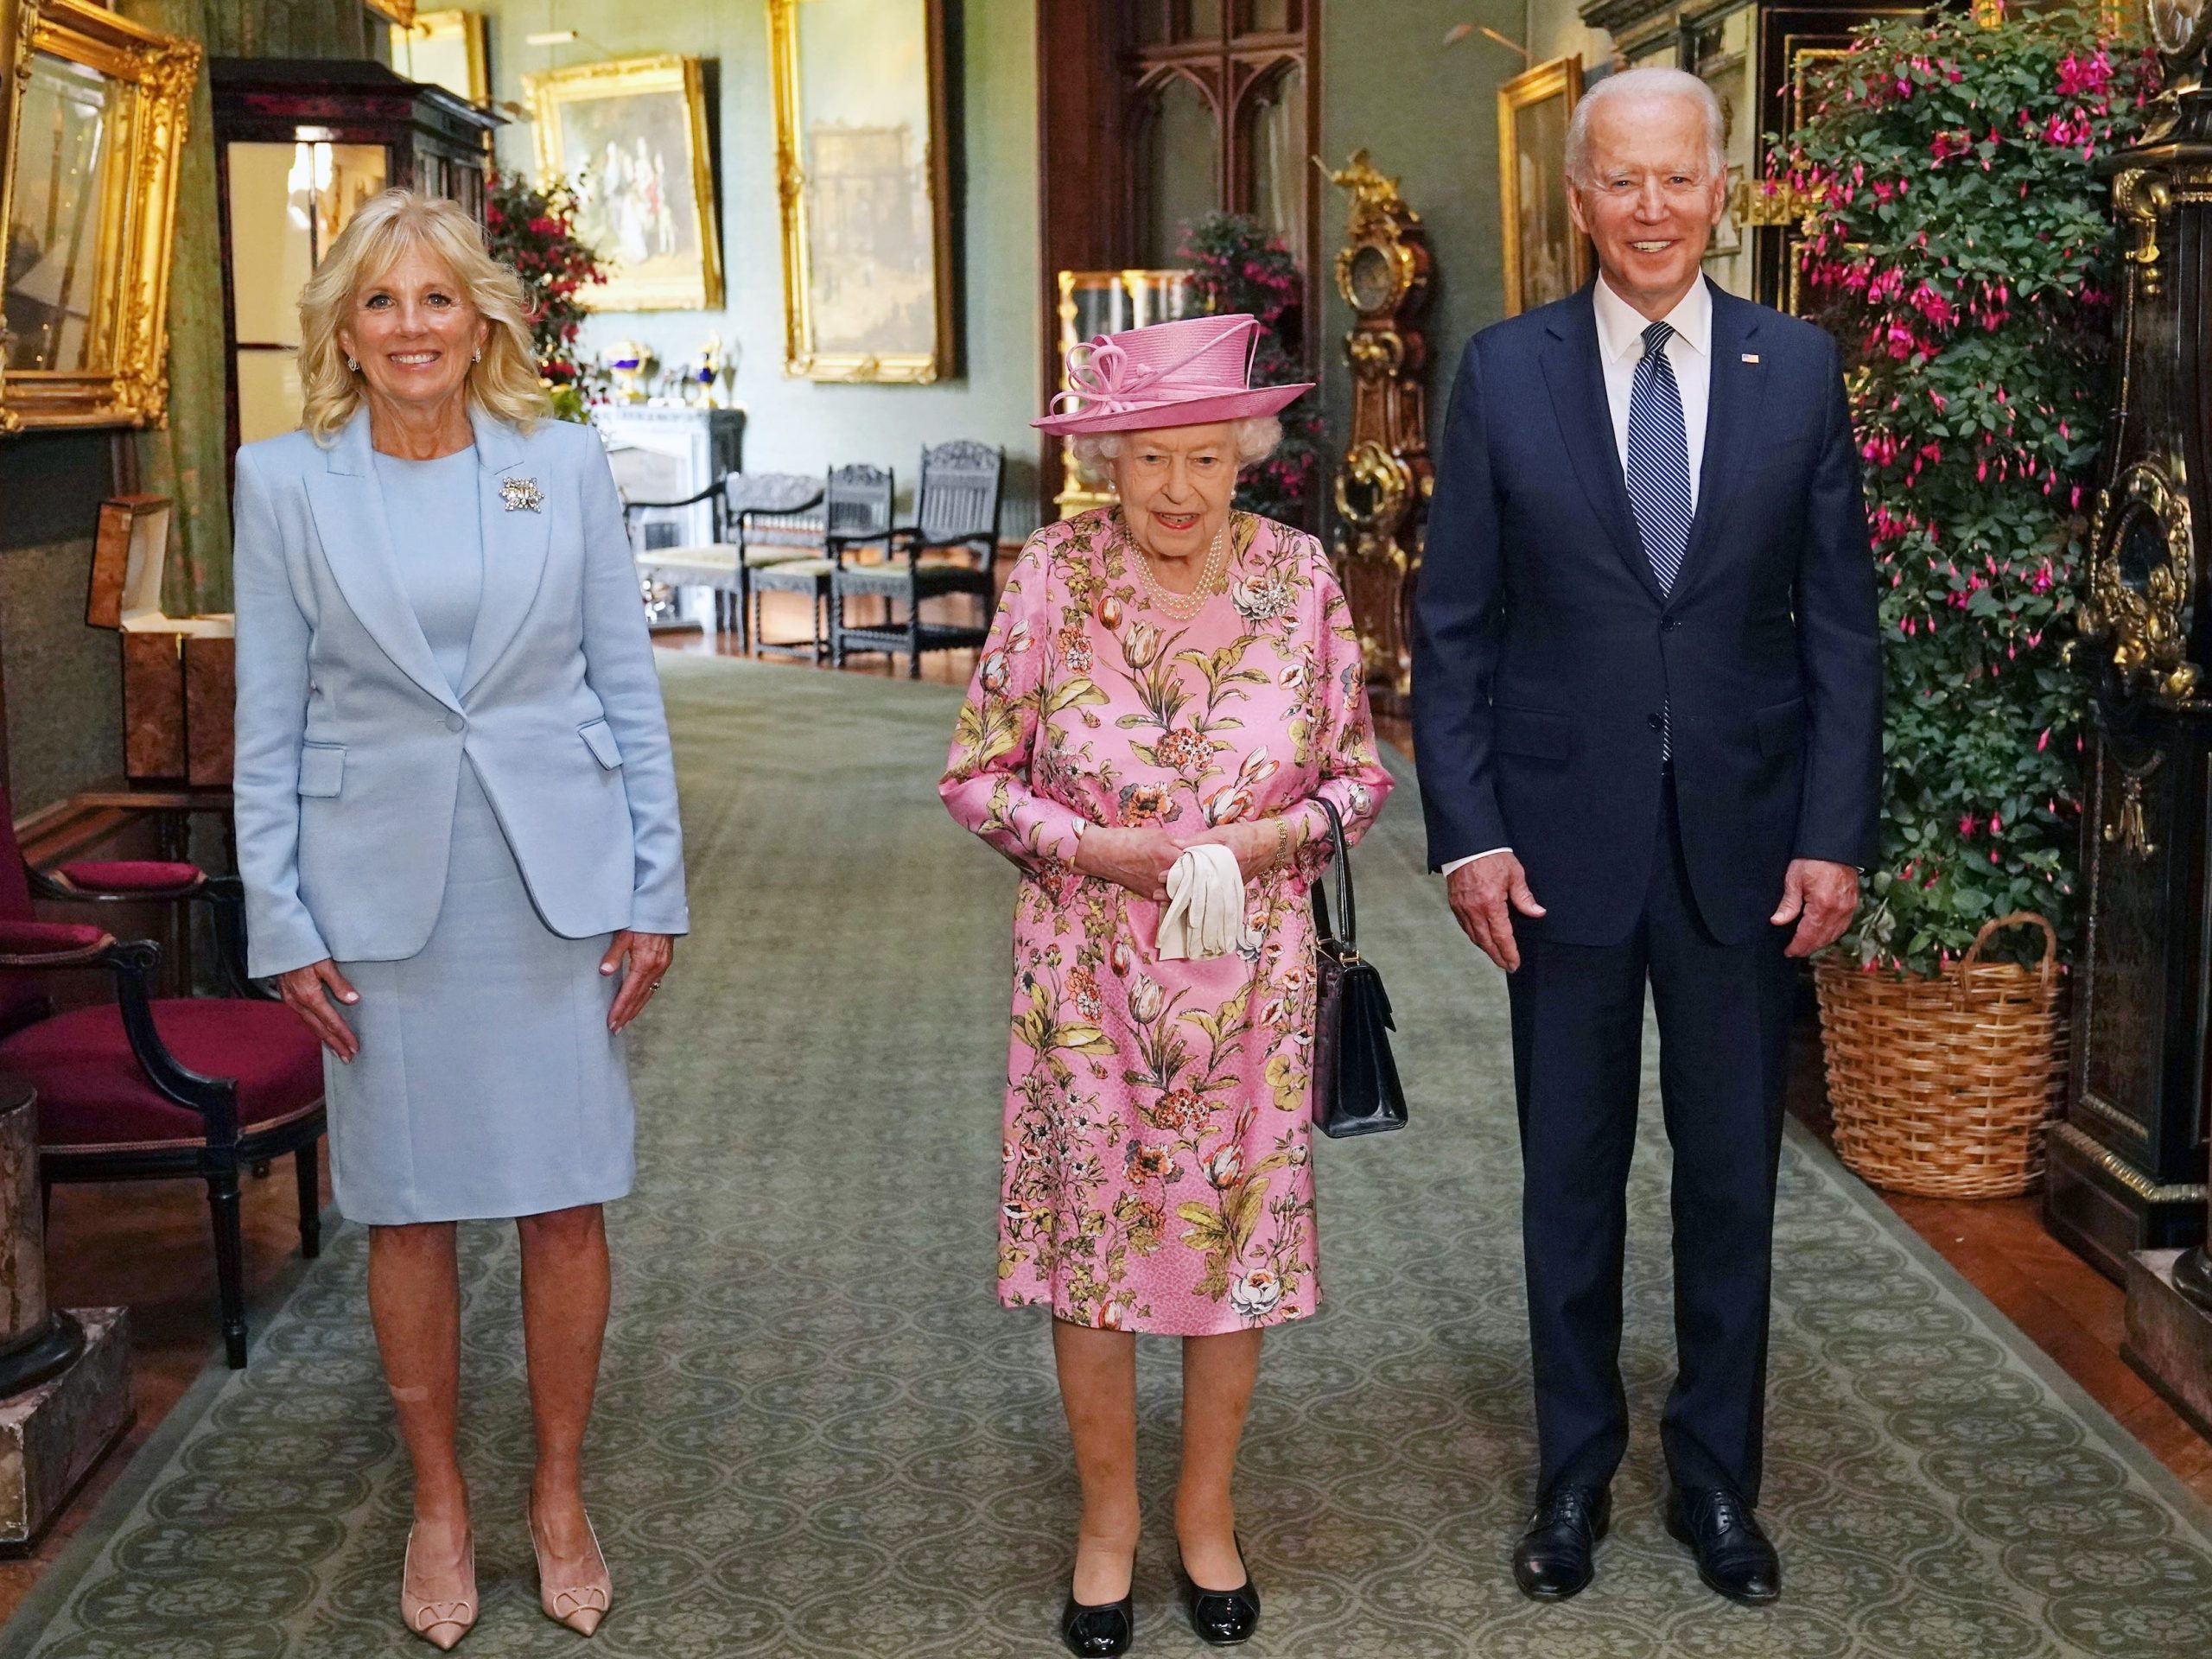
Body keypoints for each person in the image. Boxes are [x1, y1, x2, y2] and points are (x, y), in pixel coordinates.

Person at [1412, 67, 1880, 1607]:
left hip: (1750, 856)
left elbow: (1840, 636)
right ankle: (1569, 1482)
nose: (1656, 211)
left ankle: (1716, 1486)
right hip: (1559, 851)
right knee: (1572, 1179)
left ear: (1722, 187)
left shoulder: (1799, 370)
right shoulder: (1504, 370)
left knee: (1735, 1182)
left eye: (1682, 179)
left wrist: (1833, 831)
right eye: (1624, 182)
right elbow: (1456, 624)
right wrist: (1470, 836)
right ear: (1578, 197)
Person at [232, 188, 688, 1648]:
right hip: (378, 898)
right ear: (345, 332)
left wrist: (652, 886)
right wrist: (279, 916)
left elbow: (627, 684)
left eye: (437, 299)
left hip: (553, 883)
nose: (412, 327)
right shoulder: (284, 482)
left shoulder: (559, 465)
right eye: (381, 302)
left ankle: (557, 1491)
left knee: (566, 1196)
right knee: (409, 1208)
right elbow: (269, 721)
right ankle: (439, 1501)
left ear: (482, 313)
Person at [941, 315, 1392, 1656]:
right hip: (1085, 977)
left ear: (1247, 453)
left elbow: (1360, 778)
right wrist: (1098, 848)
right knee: (1096, 1256)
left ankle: (1206, 1517)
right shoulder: (1050, 574)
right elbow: (975, 771)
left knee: (1231, 1249)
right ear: (1110, 466)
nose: (1181, 490)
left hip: (1250, 975)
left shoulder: (1300, 576)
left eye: (1207, 458)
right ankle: (1107, 1529)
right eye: (1151, 463)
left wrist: (1261, 844)